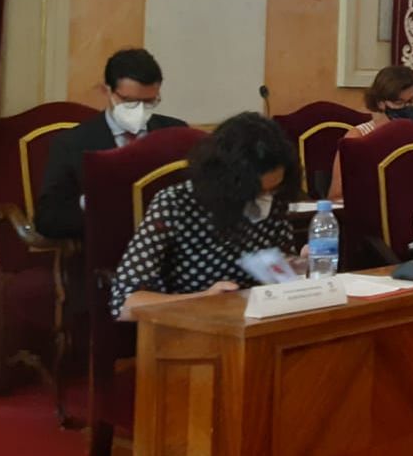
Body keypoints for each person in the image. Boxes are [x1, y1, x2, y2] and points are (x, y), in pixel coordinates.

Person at [111, 113, 300, 320]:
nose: (265, 200)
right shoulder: (177, 203)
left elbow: (278, 266)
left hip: (256, 323)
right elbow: (125, 303)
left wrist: (297, 266)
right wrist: (203, 298)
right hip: (191, 326)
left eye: (272, 190)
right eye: (255, 193)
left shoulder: (275, 198)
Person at [34, 48, 186, 240]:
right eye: (129, 101)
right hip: (103, 252)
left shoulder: (175, 133)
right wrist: (89, 203)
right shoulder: (71, 143)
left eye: (149, 102)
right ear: (107, 91)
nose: (139, 111)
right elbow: (47, 220)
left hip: (168, 249)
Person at [327, 65, 413, 199]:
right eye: (399, 102)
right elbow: (337, 195)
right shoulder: (358, 138)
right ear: (380, 103)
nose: (408, 108)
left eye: (412, 101)